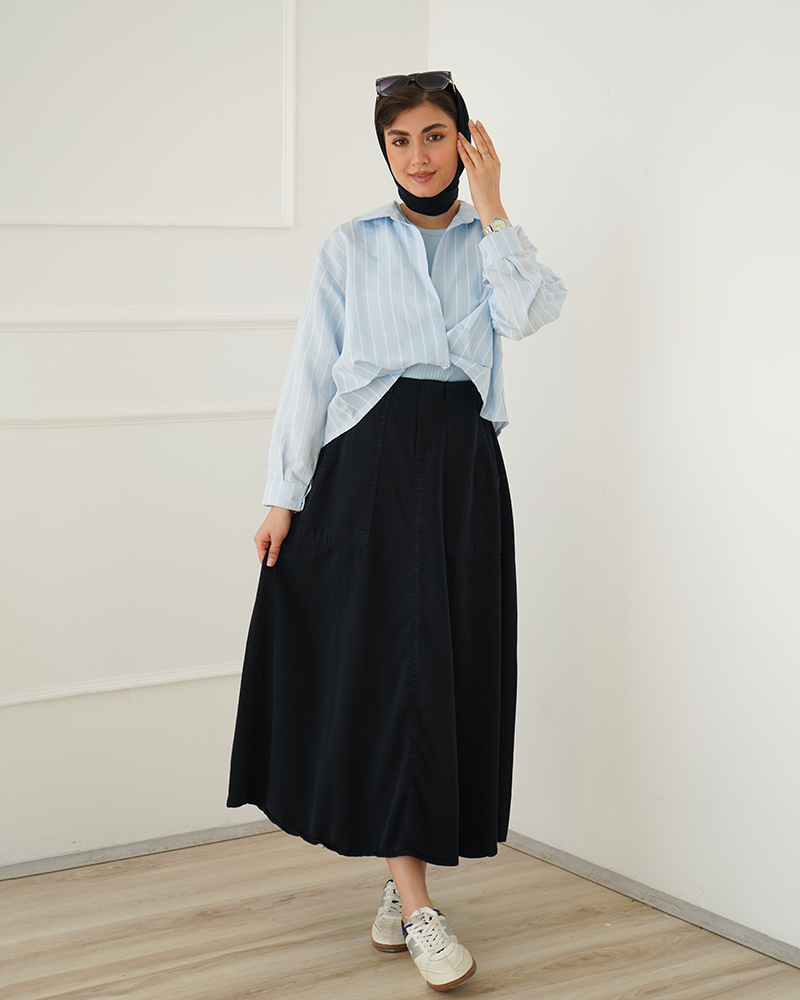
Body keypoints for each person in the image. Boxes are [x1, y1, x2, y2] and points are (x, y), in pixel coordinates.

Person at [228, 70, 566, 992]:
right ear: (383, 151)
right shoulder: (352, 245)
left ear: (466, 141)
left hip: (462, 471)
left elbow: (529, 315)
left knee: (448, 669)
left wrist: (494, 208)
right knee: (387, 671)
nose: (417, 157)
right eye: (399, 141)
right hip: (365, 466)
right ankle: (416, 903)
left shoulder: (492, 243)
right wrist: (283, 495)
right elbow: (310, 371)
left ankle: (397, 867)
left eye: (434, 136)